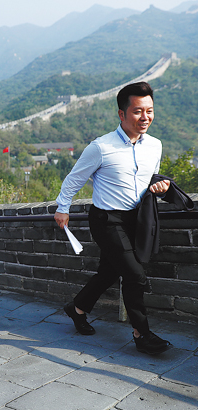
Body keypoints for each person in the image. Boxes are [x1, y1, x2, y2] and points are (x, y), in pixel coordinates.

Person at [54, 82, 172, 355]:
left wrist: (160, 185)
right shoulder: (101, 147)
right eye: (137, 111)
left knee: (109, 271)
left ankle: (78, 307)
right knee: (135, 275)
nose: (145, 117)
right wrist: (63, 208)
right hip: (106, 220)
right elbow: (74, 180)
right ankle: (142, 333)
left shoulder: (155, 145)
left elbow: (152, 177)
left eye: (150, 111)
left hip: (137, 219)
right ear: (122, 114)